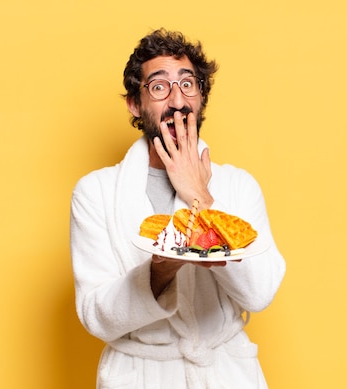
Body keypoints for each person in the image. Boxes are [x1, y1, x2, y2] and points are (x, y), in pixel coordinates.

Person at [70, 28, 286, 388]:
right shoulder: (96, 193)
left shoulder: (237, 185)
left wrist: (199, 194)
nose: (177, 100)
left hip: (225, 373)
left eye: (188, 84)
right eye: (159, 87)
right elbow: (96, 317)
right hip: (141, 375)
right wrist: (160, 272)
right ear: (135, 104)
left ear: (201, 97)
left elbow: (259, 293)